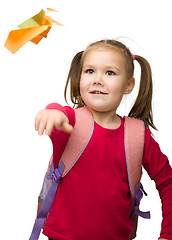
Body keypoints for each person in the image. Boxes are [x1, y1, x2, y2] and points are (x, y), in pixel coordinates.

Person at [35, 39, 172, 240]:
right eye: (89, 71)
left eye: (110, 73)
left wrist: (167, 234)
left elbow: (167, 182)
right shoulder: (69, 121)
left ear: (128, 85)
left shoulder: (138, 135)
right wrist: (52, 111)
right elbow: (60, 113)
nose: (97, 79)